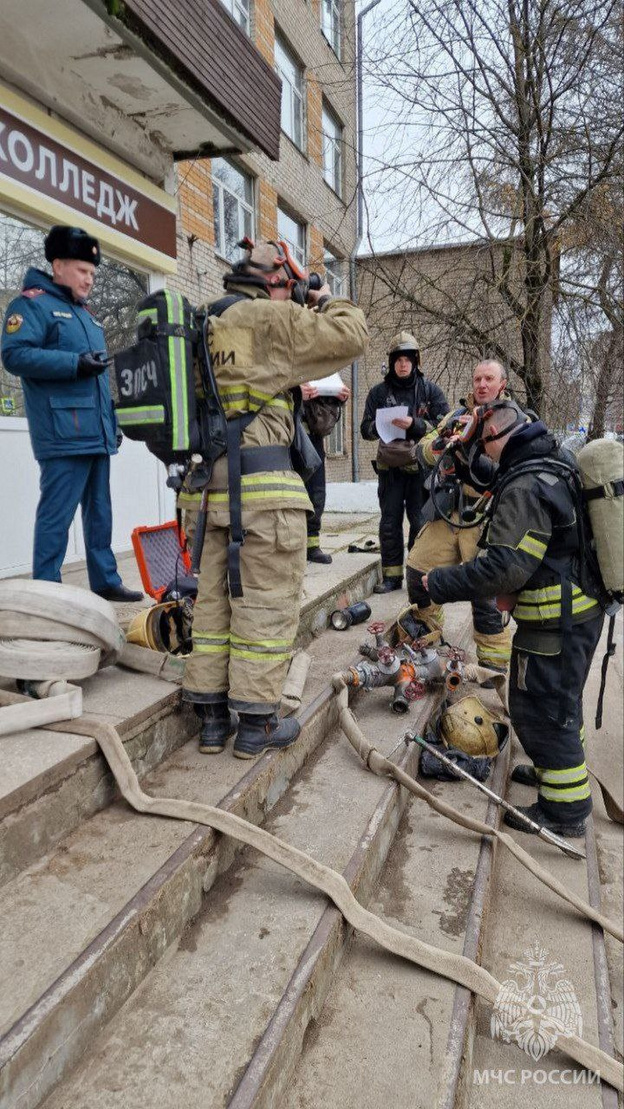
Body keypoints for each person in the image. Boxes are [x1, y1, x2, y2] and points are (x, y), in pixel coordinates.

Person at [182, 239, 368, 759]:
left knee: (214, 606)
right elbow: (352, 334)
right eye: (292, 283)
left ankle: (213, 720)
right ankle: (257, 726)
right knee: (263, 610)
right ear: (277, 281)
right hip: (264, 497)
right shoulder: (269, 319)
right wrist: (326, 295)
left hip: (206, 497)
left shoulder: (202, 325)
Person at [421, 400, 604, 838]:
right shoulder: (550, 459)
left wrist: (440, 583)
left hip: (556, 620)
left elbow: (506, 567)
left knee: (541, 708)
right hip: (572, 614)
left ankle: (565, 811)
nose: (483, 455)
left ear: (497, 438)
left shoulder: (524, 484)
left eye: (483, 445)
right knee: (561, 701)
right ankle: (556, 774)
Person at [1, 225, 142, 603]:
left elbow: (95, 379)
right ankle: (47, 590)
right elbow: (14, 355)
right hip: (62, 433)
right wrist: (73, 363)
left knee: (100, 513)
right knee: (56, 515)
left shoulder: (88, 316)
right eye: (83, 271)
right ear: (59, 265)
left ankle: (105, 580)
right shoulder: (31, 305)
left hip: (94, 431)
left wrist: (110, 423)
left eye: (93, 273)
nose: (90, 280)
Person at [405, 361, 512, 671]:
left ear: (501, 384)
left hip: (485, 516)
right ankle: (429, 629)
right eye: (477, 378)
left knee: (486, 593)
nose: (481, 384)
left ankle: (493, 669)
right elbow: (422, 450)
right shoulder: (455, 416)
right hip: (448, 511)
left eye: (488, 378)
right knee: (417, 573)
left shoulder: (513, 418)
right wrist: (442, 443)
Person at [361, 332, 449, 593]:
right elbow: (365, 430)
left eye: (407, 359)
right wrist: (380, 426)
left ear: (415, 361)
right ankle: (391, 577)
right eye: (398, 359)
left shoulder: (430, 391)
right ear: (391, 362)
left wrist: (415, 425)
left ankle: (416, 573)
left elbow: (445, 428)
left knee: (420, 523)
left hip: (420, 470)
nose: (402, 364)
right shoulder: (378, 393)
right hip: (389, 471)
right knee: (389, 522)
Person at [301, 378, 350, 564]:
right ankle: (293, 544)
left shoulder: (318, 365)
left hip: (314, 437)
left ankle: (312, 545)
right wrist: (297, 393)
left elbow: (323, 403)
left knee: (316, 493)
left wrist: (339, 398)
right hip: (289, 436)